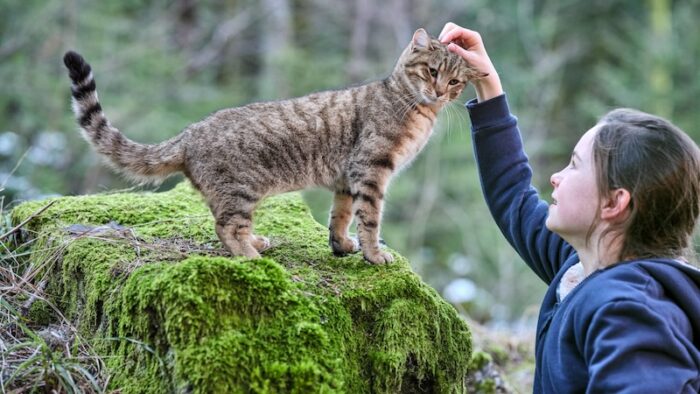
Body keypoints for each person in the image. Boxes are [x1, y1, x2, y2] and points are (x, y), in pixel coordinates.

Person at [438, 22, 700, 393]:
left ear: (614, 202)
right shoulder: (583, 267)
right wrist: (487, 85)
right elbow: (513, 197)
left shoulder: (629, 308)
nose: (557, 177)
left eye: (575, 165)